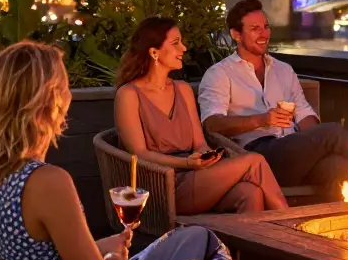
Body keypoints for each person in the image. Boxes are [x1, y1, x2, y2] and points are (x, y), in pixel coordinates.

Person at [0, 41, 251, 260]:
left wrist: (102, 246)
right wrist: (114, 259)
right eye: (65, 86)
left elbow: (35, 255)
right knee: (209, 253)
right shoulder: (46, 182)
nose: (69, 96)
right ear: (50, 101)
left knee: (195, 236)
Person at [115, 17, 288, 214]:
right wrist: (186, 163)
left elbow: (199, 142)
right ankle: (290, 227)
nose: (184, 48)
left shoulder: (183, 90)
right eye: (175, 43)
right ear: (154, 52)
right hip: (160, 184)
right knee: (254, 161)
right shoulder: (129, 94)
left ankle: (251, 245)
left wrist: (208, 157)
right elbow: (140, 154)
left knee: (250, 193)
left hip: (195, 176)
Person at [200, 0, 348, 190]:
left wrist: (314, 142)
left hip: (293, 153)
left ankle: (345, 218)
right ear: (236, 34)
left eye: (266, 26)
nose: (264, 34)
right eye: (255, 29)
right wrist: (262, 120)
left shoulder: (283, 70)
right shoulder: (219, 74)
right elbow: (211, 124)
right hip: (258, 156)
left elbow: (303, 113)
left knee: (342, 169)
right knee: (333, 132)